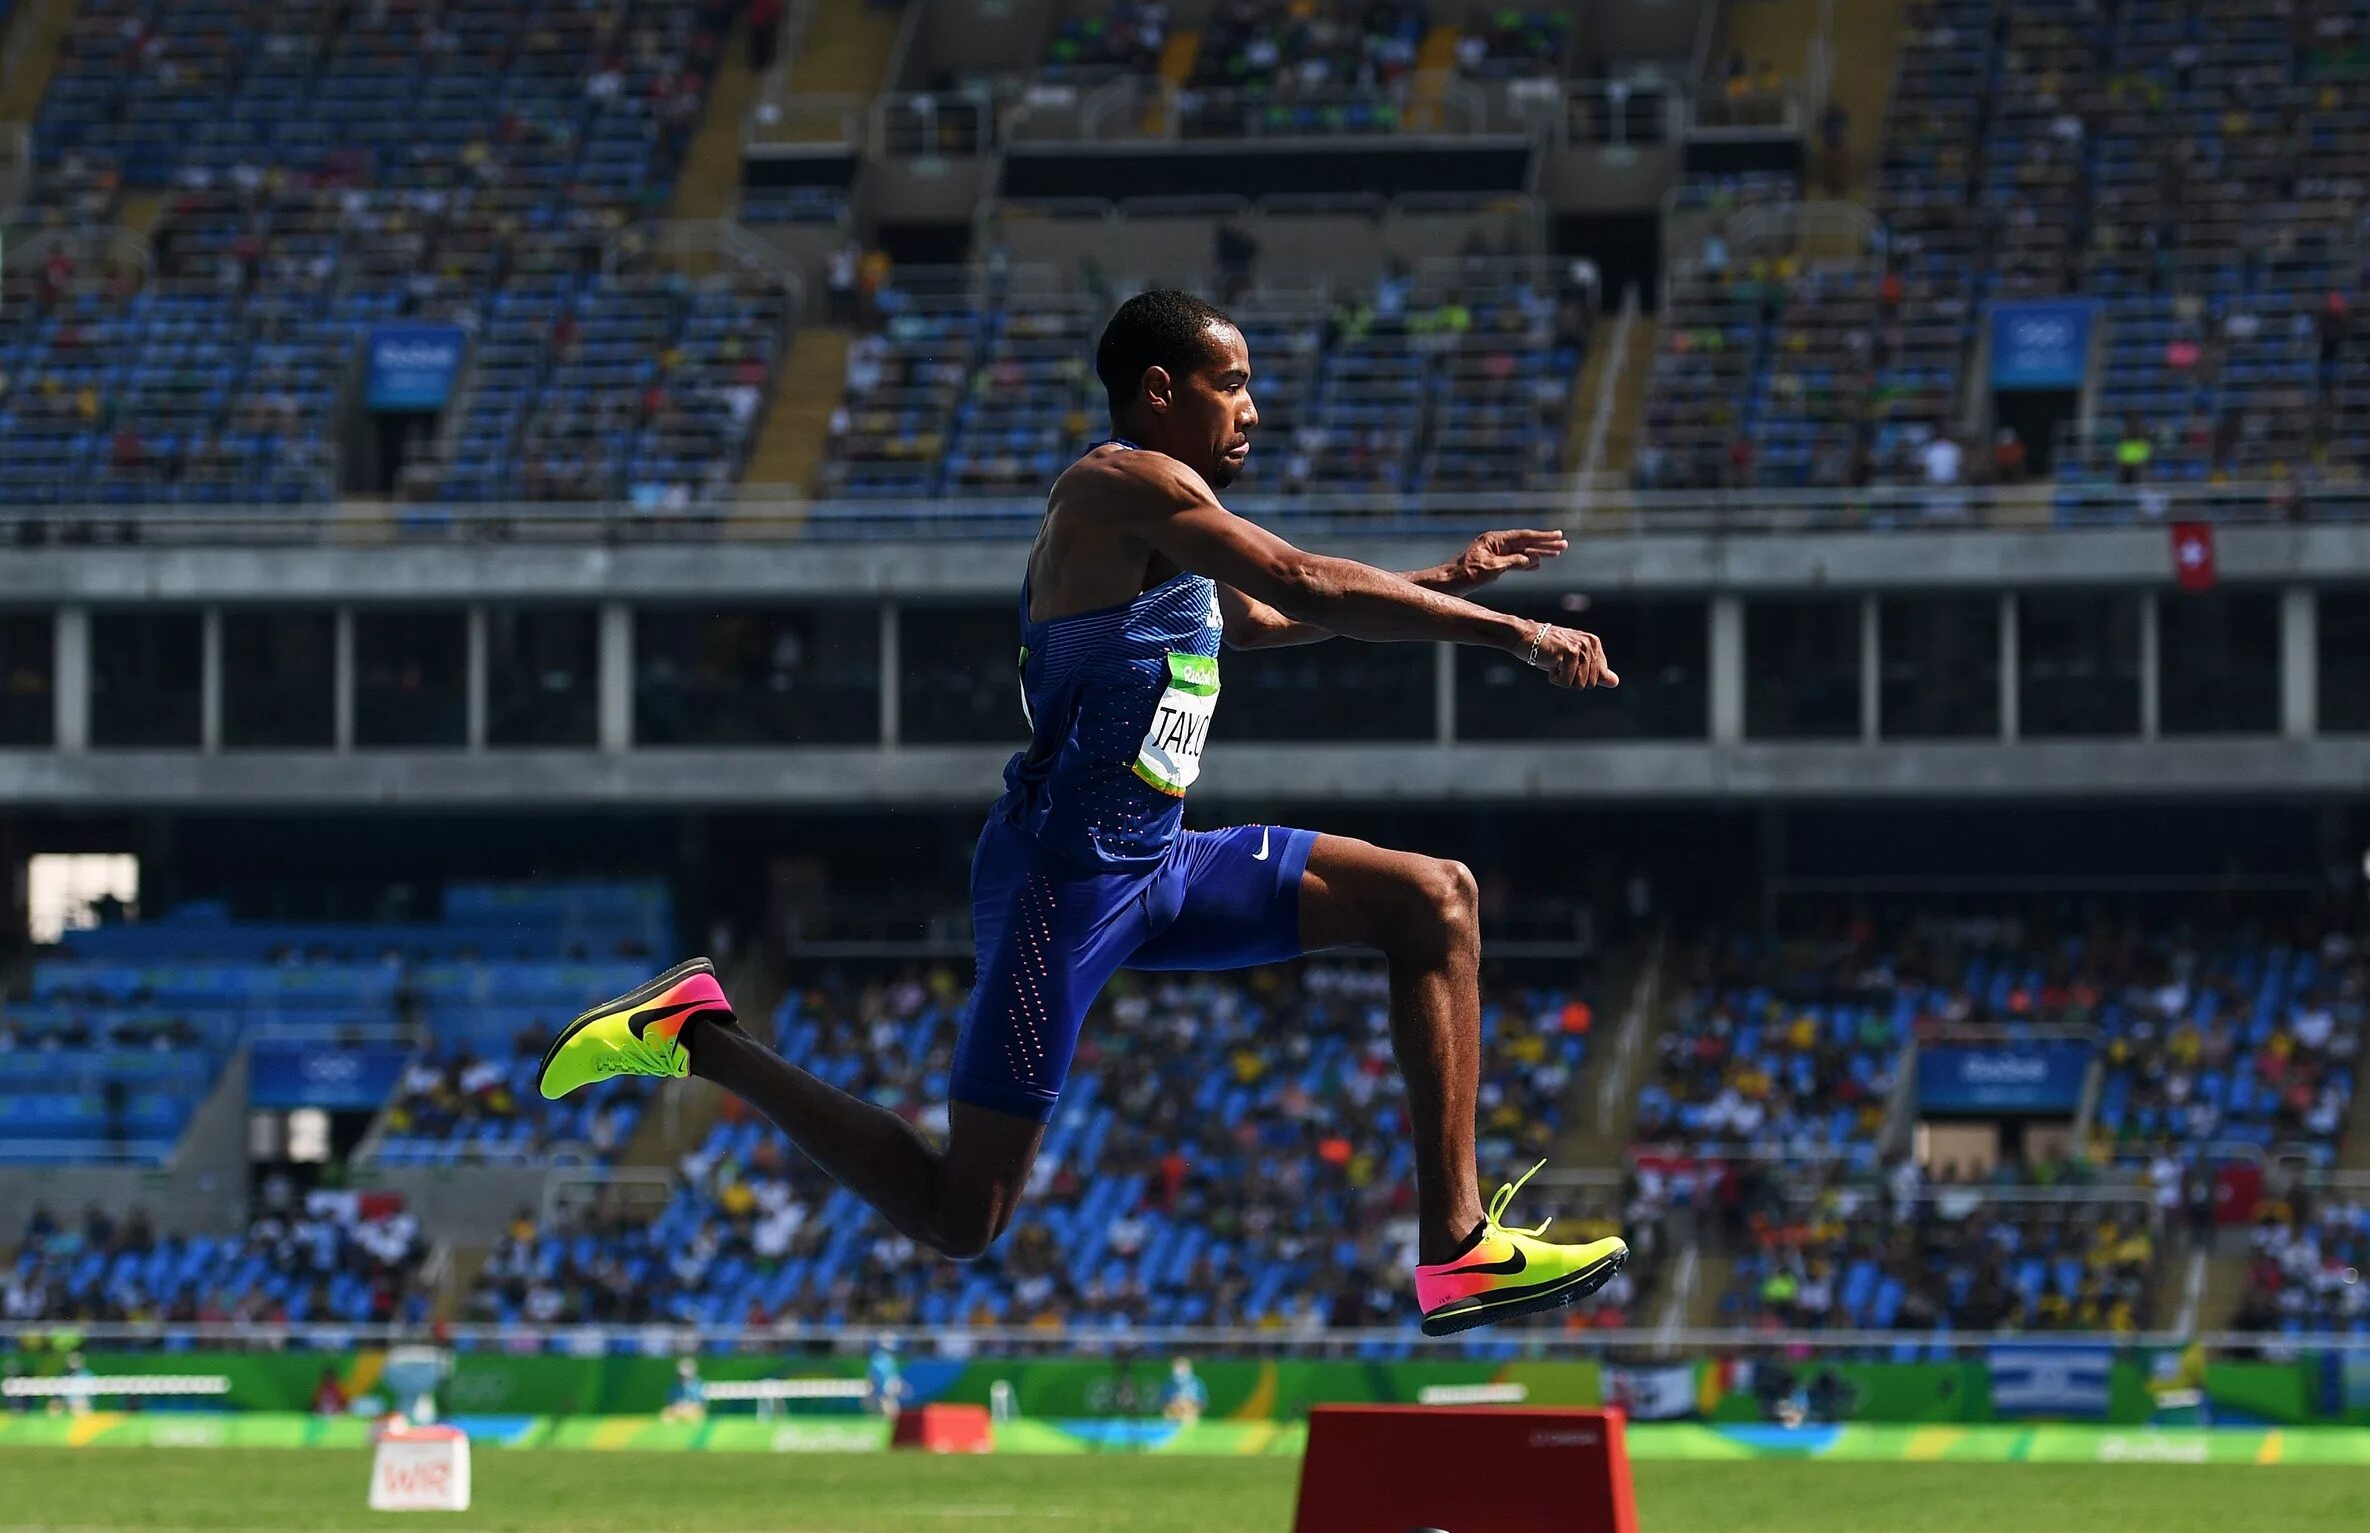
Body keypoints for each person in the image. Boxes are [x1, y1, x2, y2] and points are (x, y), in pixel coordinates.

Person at [538, 289, 1629, 1339]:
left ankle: (1455, 1246)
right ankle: (700, 1035)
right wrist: (1515, 637)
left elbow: (1253, 620)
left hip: (1160, 862)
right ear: (1160, 390)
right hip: (1063, 884)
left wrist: (1446, 574)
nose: (1253, 410)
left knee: (1434, 899)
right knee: (960, 1217)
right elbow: (1300, 581)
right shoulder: (1117, 489)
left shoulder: (1175, 524)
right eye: (1232, 384)